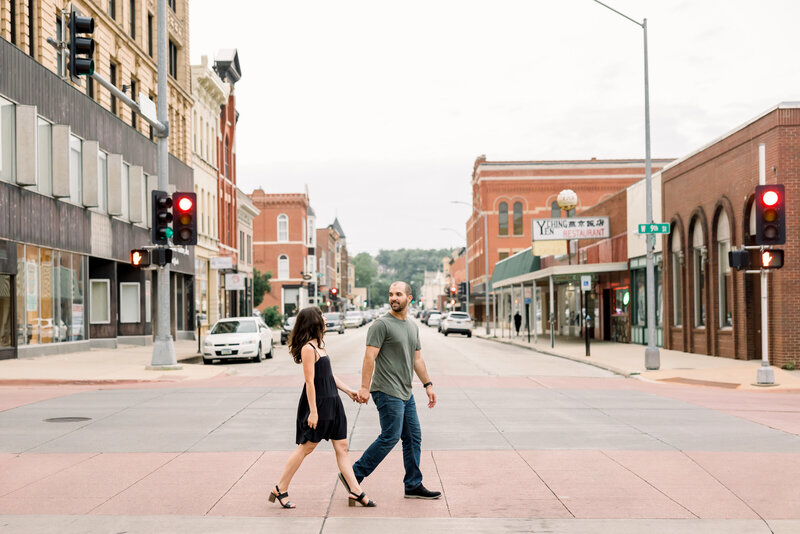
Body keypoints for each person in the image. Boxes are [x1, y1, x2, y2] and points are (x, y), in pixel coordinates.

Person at [269, 306, 375, 509]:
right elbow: (310, 382)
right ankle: (280, 488)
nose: (326, 319)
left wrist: (349, 391)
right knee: (307, 447)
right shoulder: (308, 349)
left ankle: (355, 490)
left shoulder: (320, 346)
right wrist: (314, 412)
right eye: (322, 316)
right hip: (320, 405)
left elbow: (329, 377)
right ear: (314, 322)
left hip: (334, 402)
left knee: (342, 447)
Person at [351, 281, 441, 500]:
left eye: (398, 294)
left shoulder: (412, 326)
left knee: (413, 437)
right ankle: (353, 475)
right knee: (390, 436)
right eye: (391, 294)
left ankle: (413, 484)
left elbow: (416, 359)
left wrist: (428, 385)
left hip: (405, 392)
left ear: (409, 298)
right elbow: (369, 356)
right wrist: (364, 386)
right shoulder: (381, 325)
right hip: (386, 390)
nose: (393, 298)